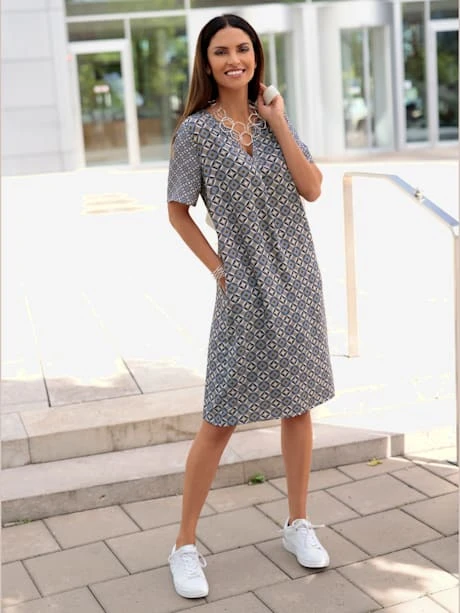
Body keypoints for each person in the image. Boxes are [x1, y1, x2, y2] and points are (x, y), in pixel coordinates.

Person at [166, 13, 335, 599]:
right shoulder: (194, 133)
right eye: (221, 51)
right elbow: (177, 211)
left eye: (242, 49)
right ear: (207, 62)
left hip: (298, 280)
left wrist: (279, 121)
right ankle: (184, 545)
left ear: (256, 56)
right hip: (242, 286)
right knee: (220, 416)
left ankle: (298, 523)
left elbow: (312, 187)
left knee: (299, 405)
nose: (233, 59)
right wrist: (220, 269)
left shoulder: (272, 119)